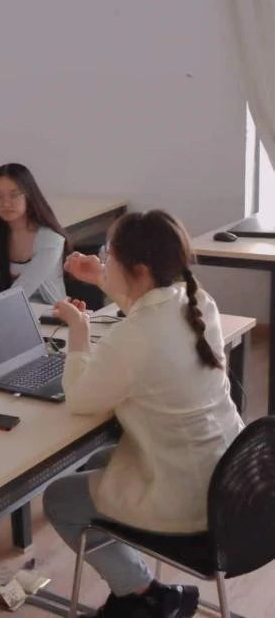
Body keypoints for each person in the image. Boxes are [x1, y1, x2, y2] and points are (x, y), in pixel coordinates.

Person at [43, 210, 243, 618]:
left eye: (109, 256)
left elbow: (80, 399)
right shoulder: (197, 300)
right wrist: (101, 277)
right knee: (101, 461)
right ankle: (140, 591)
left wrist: (79, 330)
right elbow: (147, 308)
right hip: (233, 487)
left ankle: (144, 592)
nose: (104, 261)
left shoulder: (133, 337)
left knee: (59, 498)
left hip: (190, 505)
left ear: (138, 270)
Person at [0, 163, 68, 303]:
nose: (6, 204)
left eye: (14, 195)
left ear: (29, 196)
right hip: (4, 309)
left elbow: (22, 290)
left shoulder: (51, 240)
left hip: (49, 313)